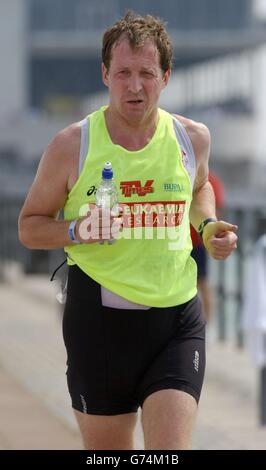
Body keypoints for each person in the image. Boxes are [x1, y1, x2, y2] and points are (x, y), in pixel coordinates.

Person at [18, 11, 238, 450]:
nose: (135, 86)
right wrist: (78, 229)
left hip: (176, 319)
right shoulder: (71, 145)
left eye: (146, 74)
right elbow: (29, 227)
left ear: (166, 77)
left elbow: (198, 194)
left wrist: (209, 225)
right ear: (105, 75)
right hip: (99, 323)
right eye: (123, 73)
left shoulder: (192, 138)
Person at [190, 171, 225, 322]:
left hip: (197, 242)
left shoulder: (211, 181)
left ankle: (206, 325)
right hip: (182, 242)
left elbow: (215, 212)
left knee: (203, 283)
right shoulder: (212, 180)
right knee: (202, 284)